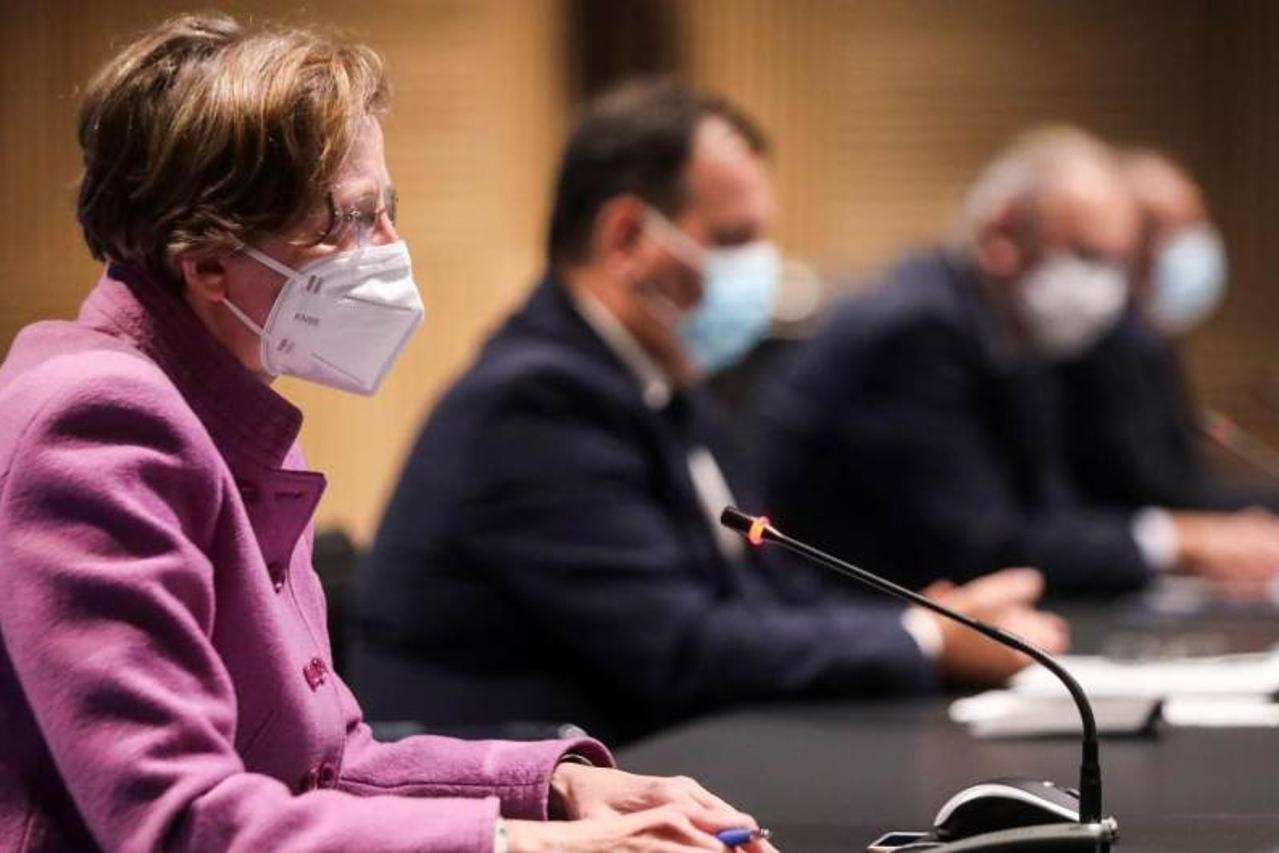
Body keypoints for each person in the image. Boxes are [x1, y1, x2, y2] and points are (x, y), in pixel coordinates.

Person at [0, 15, 777, 853]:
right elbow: (181, 822)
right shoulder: (99, 424)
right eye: (352, 217)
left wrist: (559, 787)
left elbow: (328, 764)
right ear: (209, 259)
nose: (390, 249)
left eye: (388, 209)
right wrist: (527, 845)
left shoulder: (224, 405)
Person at [354, 79, 1067, 746]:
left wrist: (920, 620)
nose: (760, 267)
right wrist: (927, 641)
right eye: (731, 239)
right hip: (511, 783)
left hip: (653, 752)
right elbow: (678, 646)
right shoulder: (533, 403)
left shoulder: (659, 379)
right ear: (628, 237)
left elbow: (764, 585)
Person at [758, 127, 1279, 595]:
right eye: (1087, 256)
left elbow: (1052, 513)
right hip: (839, 616)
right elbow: (979, 546)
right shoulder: (919, 329)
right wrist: (1175, 542)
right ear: (1002, 232)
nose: (1107, 291)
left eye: (1120, 265)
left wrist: (1180, 539)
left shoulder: (1011, 333)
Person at [1055, 149, 1279, 513]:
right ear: (1128, 232)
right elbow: (1160, 490)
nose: (1197, 244)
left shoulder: (1147, 334)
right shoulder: (1098, 341)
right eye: (1183, 228)